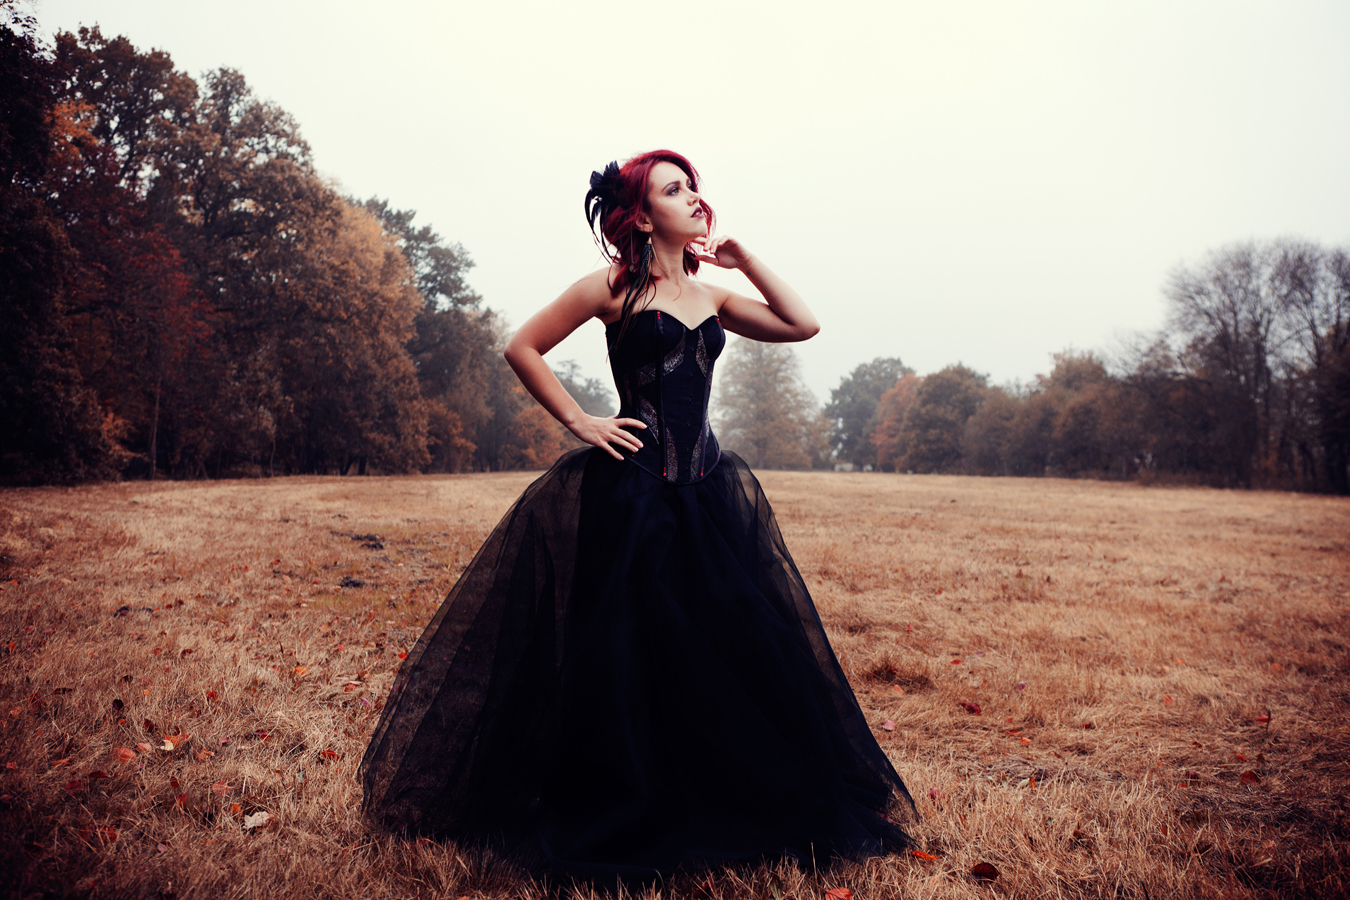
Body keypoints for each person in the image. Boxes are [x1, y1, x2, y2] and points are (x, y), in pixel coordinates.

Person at [359, 150, 916, 884]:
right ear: (644, 217)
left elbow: (802, 324)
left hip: (707, 492)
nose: (693, 199)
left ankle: (716, 791)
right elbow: (521, 346)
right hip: (634, 496)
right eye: (674, 189)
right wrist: (580, 420)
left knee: (722, 649)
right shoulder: (613, 288)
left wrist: (746, 260)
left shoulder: (713, 296)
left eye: (694, 188)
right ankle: (626, 803)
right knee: (627, 656)